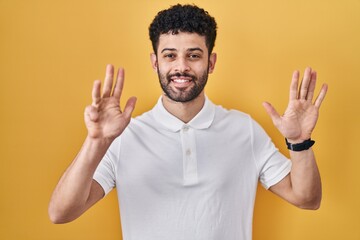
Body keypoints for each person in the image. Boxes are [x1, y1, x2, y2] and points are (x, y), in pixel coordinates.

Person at [48, 4, 328, 240]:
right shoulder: (124, 135)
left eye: (193, 55)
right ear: (155, 62)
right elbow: (61, 213)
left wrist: (300, 142)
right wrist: (96, 142)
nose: (181, 67)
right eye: (170, 55)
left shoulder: (244, 130)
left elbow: (307, 199)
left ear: (211, 62)